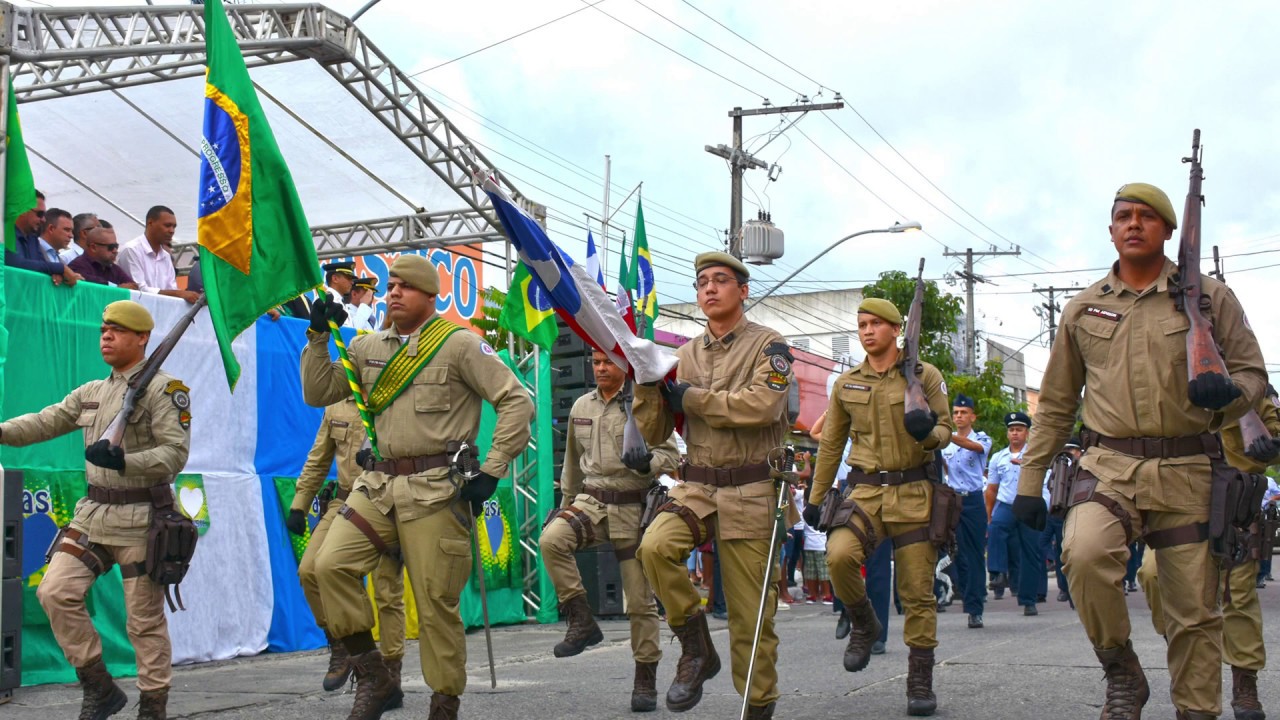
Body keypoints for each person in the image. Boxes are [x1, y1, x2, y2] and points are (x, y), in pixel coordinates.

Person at [1011, 183, 1267, 720]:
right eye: (1123, 216)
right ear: (1111, 230)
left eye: (1146, 216)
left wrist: (1228, 395)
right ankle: (1121, 670)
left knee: (1194, 613)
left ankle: (1196, 710)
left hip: (1189, 469)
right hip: (1107, 465)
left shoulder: (1211, 298)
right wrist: (1029, 483)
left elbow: (1252, 374)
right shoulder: (1083, 308)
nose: (1134, 224)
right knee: (1083, 555)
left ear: (1168, 230)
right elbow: (1055, 405)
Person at [301, 254, 532, 720]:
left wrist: (493, 469)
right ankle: (374, 676)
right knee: (328, 565)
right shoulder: (366, 347)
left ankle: (444, 703)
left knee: (434, 605)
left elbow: (516, 402)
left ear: (430, 295)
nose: (394, 293)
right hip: (377, 485)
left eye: (405, 286)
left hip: (435, 490)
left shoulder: (459, 345)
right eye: (391, 286)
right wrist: (319, 336)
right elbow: (317, 392)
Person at [0, 300, 191, 719]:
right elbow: (46, 421)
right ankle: (98, 686)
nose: (106, 336)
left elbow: (174, 455)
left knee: (143, 622)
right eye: (104, 329)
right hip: (93, 515)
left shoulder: (165, 390)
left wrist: (125, 461)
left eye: (118, 330)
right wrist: (1, 432)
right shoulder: (92, 392)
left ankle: (153, 706)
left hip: (143, 519)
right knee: (55, 592)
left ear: (142, 338)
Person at [632, 252, 794, 719]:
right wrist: (646, 384)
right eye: (702, 281)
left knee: (751, 620)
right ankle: (697, 646)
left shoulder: (770, 345)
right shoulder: (681, 355)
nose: (709, 288)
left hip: (752, 490)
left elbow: (762, 406)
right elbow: (655, 432)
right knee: (654, 547)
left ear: (742, 291)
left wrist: (694, 399)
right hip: (698, 486)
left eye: (720, 280)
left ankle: (756, 708)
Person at [807, 296, 954, 717]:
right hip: (866, 492)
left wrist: (927, 434)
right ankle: (864, 621)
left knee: (917, 592)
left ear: (896, 329)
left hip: (914, 492)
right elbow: (831, 443)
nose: (867, 331)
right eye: (862, 325)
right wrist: (816, 497)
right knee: (839, 556)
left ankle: (920, 680)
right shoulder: (847, 383)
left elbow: (946, 428)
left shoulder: (924, 375)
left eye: (876, 324)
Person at [539, 350, 679, 713]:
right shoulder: (581, 406)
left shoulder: (644, 404)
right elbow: (572, 463)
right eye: (596, 361)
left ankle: (645, 677)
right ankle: (581, 620)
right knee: (552, 539)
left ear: (624, 365)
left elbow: (671, 455)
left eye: (608, 362)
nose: (600, 368)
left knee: (640, 602)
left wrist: (648, 463)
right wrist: (565, 503)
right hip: (592, 502)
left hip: (634, 506)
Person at [1136, 386, 1280, 720]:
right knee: (1153, 575)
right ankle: (1191, 653)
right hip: (1177, 493)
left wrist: (1272, 447)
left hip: (1234, 500)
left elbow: (1273, 436)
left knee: (1236, 595)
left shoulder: (1252, 384)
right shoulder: (1168, 376)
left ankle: (1245, 683)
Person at [286, 397, 407, 703]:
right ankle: (343, 644)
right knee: (310, 570)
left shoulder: (394, 395)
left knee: (387, 592)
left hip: (387, 503)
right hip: (343, 502)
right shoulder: (336, 405)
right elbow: (318, 458)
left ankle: (390, 673)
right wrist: (300, 503)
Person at [940, 394, 991, 628]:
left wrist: (945, 435)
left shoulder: (981, 438)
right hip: (953, 501)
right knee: (955, 552)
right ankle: (962, 593)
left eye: (963, 413)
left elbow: (974, 447)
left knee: (975, 555)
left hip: (973, 501)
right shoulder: (946, 442)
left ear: (973, 416)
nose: (959, 416)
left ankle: (975, 608)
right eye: (956, 413)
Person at [986, 412, 1043, 616]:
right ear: (1007, 433)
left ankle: (1028, 600)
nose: (1015, 433)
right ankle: (997, 573)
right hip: (1007, 504)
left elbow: (1046, 482)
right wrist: (989, 514)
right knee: (996, 528)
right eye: (1011, 430)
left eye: (1019, 429)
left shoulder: (1036, 456)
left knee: (1030, 553)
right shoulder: (998, 457)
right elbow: (991, 489)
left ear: (1027, 433)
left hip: (1029, 504)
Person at [118, 206, 199, 303]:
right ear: (150, 223)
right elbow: (140, 290)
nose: (172, 231)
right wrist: (179, 294)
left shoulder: (166, 256)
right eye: (167, 225)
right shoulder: (131, 250)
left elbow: (172, 289)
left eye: (174, 227)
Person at [6, 190, 82, 286]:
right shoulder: (4, 234)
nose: (44, 220)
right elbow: (16, 264)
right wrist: (60, 268)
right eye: (40, 214)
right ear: (23, 210)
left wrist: (56, 274)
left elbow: (41, 265)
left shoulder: (32, 238)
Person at [1040, 436, 1080, 603]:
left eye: (1071, 450)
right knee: (1042, 545)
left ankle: (1068, 589)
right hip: (1051, 512)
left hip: (1069, 513)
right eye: (1065, 449)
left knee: (1065, 551)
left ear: (1079, 452)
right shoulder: (1054, 466)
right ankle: (1060, 586)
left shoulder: (1081, 468)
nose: (1067, 453)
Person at [69, 225, 140, 289]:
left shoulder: (114, 269)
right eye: (111, 247)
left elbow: (134, 286)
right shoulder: (77, 266)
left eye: (116, 246)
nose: (115, 251)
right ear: (93, 247)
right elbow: (92, 284)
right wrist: (117, 288)